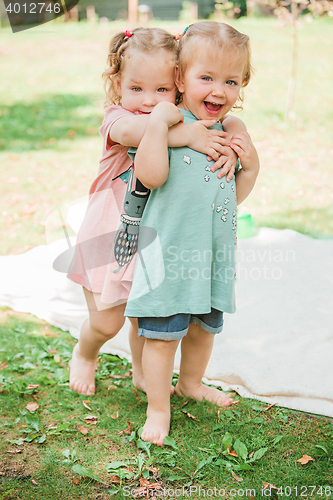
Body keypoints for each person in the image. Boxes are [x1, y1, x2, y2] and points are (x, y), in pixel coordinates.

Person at [67, 27, 246, 397]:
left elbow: (220, 120)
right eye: (136, 88)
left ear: (177, 86)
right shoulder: (118, 118)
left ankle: (143, 373)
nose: (148, 101)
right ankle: (85, 353)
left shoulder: (180, 117)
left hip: (155, 236)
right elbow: (139, 130)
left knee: (143, 316)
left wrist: (234, 127)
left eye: (161, 90)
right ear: (118, 84)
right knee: (106, 321)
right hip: (111, 234)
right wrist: (188, 135)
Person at [125, 21, 260, 445]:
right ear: (180, 80)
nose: (218, 90)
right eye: (206, 78)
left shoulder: (228, 133)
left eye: (231, 81)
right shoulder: (168, 124)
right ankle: (158, 406)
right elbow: (151, 176)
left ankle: (192, 383)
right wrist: (160, 124)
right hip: (168, 254)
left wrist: (250, 165)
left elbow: (228, 200)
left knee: (204, 331)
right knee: (162, 338)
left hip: (211, 255)